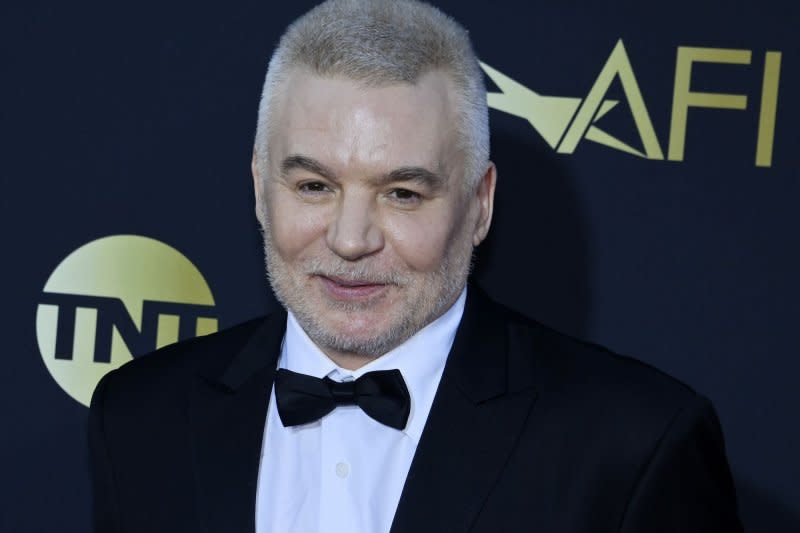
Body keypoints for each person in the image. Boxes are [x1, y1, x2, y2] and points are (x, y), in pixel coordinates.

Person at [88, 0, 743, 531]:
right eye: (314, 185)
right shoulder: (140, 419)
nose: (350, 240)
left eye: (403, 192)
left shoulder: (633, 447)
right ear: (261, 189)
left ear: (479, 205)